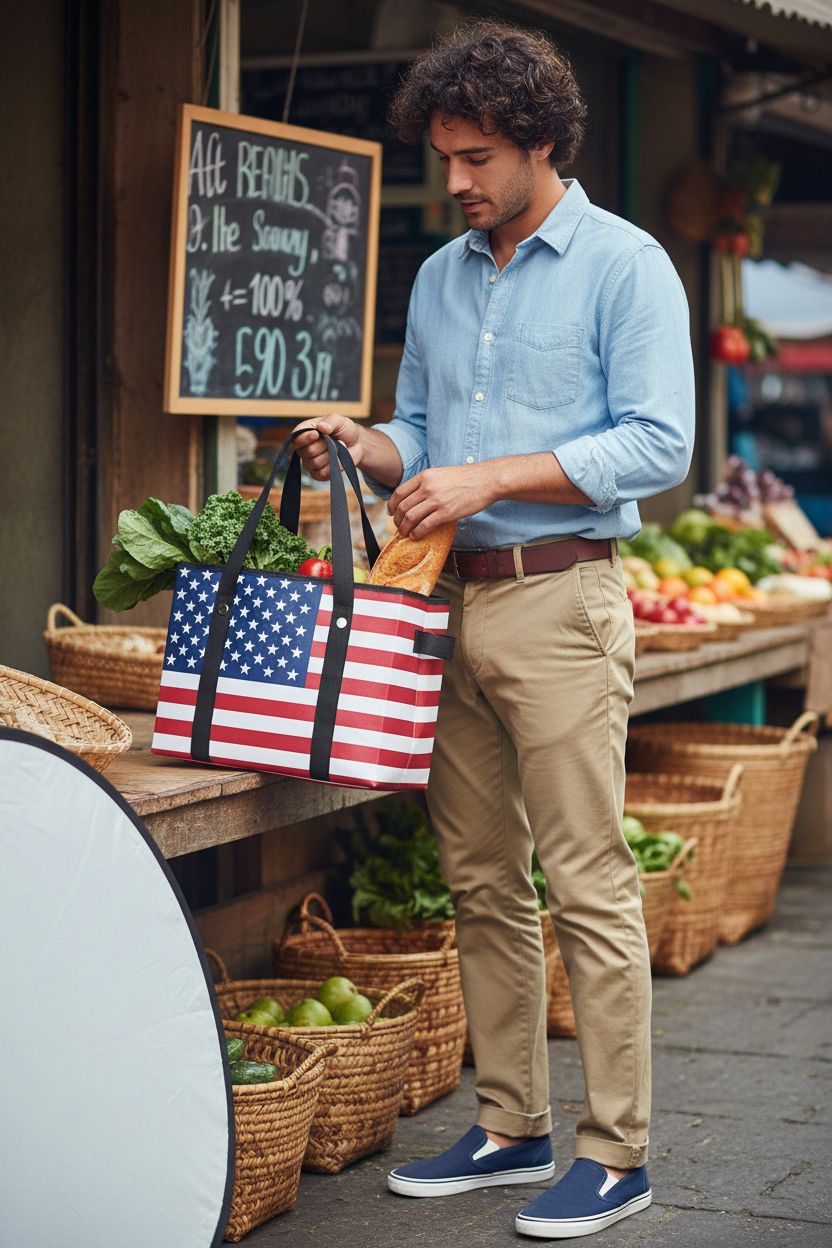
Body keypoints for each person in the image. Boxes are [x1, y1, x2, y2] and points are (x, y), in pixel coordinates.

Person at [293, 19, 694, 1240]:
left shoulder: (627, 266)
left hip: (561, 602)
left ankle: (616, 1152)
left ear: (537, 142)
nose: (453, 182)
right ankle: (510, 1125)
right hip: (446, 608)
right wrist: (371, 444)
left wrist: (487, 479)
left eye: (472, 159)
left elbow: (658, 443)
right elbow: (419, 425)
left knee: (584, 880)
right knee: (479, 881)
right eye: (443, 160)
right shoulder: (440, 273)